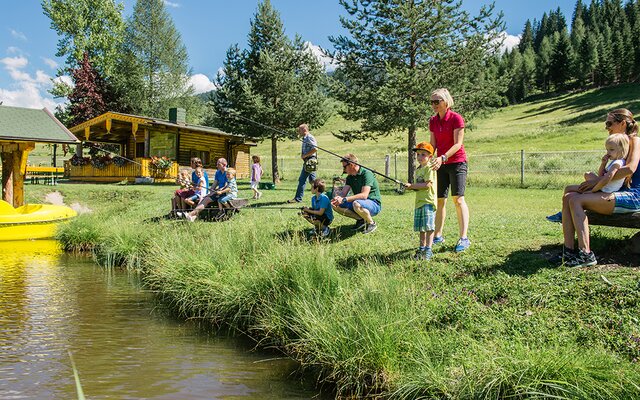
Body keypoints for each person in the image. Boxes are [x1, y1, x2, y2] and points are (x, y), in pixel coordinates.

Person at [559, 108, 640, 267]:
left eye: (609, 123)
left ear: (622, 123)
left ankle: (586, 254)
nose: (606, 127)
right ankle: (568, 252)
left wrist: (598, 182)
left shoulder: (635, 141)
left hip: (633, 196)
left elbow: (630, 168)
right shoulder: (619, 143)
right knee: (568, 195)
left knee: (576, 200)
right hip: (618, 191)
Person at [547, 133, 630, 222]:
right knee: (587, 174)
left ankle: (566, 213)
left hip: (605, 190)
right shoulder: (614, 162)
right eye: (607, 150)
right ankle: (568, 211)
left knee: (569, 188)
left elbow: (607, 179)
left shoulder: (617, 163)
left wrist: (593, 190)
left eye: (611, 150)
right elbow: (600, 176)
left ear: (621, 149)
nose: (608, 153)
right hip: (603, 187)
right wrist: (603, 163)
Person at [429, 88, 470, 252]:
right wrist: (427, 157)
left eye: (436, 101)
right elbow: (433, 144)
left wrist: (443, 157)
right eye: (432, 102)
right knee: (440, 200)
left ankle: (464, 238)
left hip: (457, 162)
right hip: (441, 164)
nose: (433, 105)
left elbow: (458, 144)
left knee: (458, 200)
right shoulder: (432, 121)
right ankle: (438, 235)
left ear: (446, 102)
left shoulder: (456, 118)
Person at [331, 153, 381, 235]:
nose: (343, 169)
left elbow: (364, 195)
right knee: (335, 205)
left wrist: (344, 199)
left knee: (356, 204)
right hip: (359, 202)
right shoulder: (350, 177)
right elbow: (343, 193)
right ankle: (361, 220)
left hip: (373, 203)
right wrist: (337, 197)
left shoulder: (367, 174)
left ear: (351, 165)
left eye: (344, 166)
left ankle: (371, 223)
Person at [404, 142, 437, 261]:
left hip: (428, 201)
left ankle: (429, 249)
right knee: (421, 228)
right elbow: (418, 186)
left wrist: (412, 185)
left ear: (430, 157)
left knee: (429, 227)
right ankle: (421, 248)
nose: (420, 157)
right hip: (419, 202)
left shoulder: (429, 168)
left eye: (423, 154)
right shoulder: (418, 170)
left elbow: (428, 185)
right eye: (418, 154)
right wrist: (410, 187)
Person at [288, 124, 317, 203]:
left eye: (299, 130)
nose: (298, 132)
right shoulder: (304, 138)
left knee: (302, 180)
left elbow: (315, 148)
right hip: (308, 161)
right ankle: (323, 196)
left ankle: (298, 199)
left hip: (310, 161)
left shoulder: (309, 137)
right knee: (313, 181)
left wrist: (305, 155)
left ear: (304, 130)